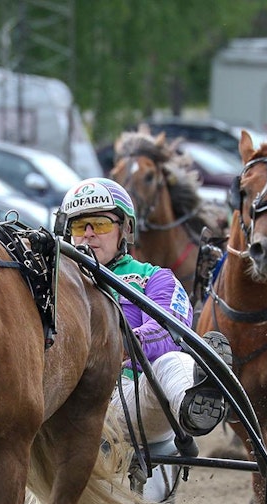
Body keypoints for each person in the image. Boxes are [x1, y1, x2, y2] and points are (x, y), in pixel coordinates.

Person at [58, 177, 233, 443]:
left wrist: (117, 347)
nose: (89, 233)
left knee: (175, 361)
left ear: (125, 230)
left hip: (129, 395)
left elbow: (170, 332)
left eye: (102, 224)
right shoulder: (52, 281)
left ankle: (197, 399)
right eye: (80, 225)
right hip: (63, 398)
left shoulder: (155, 279)